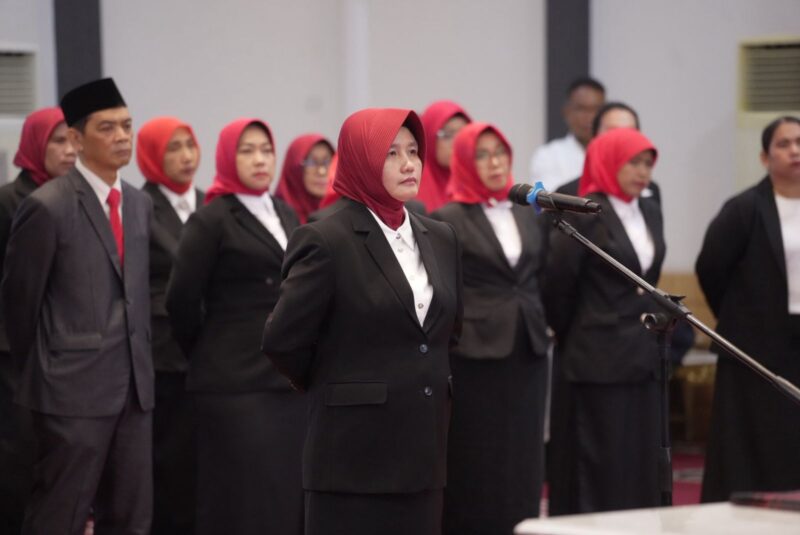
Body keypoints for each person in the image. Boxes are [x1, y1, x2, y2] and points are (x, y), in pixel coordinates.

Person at [261, 108, 462, 535]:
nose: (409, 164)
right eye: (392, 153)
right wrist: (338, 385)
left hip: (424, 452)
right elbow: (282, 339)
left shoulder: (441, 236)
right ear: (362, 161)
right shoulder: (325, 237)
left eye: (413, 151)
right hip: (352, 455)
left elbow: (447, 333)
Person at [2, 78, 154, 534]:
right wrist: (50, 373)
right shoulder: (47, 206)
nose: (122, 137)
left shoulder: (139, 204)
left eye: (127, 126)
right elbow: (20, 304)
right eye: (107, 128)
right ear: (76, 137)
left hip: (134, 389)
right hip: (70, 391)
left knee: (132, 516)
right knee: (60, 513)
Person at [165, 118, 304, 535]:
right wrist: (209, 350)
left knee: (285, 493)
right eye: (247, 151)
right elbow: (181, 300)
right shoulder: (212, 219)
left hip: (285, 378)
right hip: (233, 380)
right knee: (243, 496)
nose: (260, 160)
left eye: (266, 150)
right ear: (227, 157)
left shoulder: (284, 210)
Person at [432, 122, 549, 533]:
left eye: (500, 152)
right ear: (464, 162)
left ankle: (522, 523)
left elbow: (539, 274)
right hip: (475, 351)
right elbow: (443, 288)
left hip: (528, 346)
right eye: (481, 155)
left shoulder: (526, 211)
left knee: (524, 450)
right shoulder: (448, 218)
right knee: (479, 453)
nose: (494, 162)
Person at [543, 127, 666, 514]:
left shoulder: (650, 209)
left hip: (642, 350)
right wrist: (576, 331)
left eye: (648, 163)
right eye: (633, 162)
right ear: (609, 162)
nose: (643, 172)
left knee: (637, 456)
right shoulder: (583, 211)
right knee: (601, 459)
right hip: (595, 352)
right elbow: (557, 283)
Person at [696, 116, 800, 502]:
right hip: (755, 346)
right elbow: (711, 268)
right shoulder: (744, 208)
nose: (795, 151)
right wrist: (740, 316)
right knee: (753, 443)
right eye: (784, 144)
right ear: (764, 157)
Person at [0, 106, 75, 534]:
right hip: (16, 351)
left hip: (66, 348)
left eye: (73, 141)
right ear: (35, 144)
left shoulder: (78, 198)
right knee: (20, 452)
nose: (69, 151)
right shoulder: (9, 201)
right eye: (57, 141)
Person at [136, 116, 204, 535]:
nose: (185, 156)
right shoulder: (140, 207)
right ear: (152, 156)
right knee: (172, 462)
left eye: (189, 145)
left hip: (211, 353)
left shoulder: (211, 203)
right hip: (165, 355)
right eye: (173, 148)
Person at [557, 102, 660, 203]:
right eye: (613, 132)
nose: (621, 140)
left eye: (629, 133)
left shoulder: (650, 191)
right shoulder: (567, 195)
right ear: (594, 136)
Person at [530, 77, 605, 190]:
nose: (590, 117)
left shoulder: (617, 156)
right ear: (566, 111)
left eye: (596, 110)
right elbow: (547, 197)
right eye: (581, 109)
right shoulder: (547, 155)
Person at [417, 100, 472, 212]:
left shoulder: (478, 186)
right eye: (448, 135)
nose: (457, 143)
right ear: (428, 138)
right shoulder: (411, 192)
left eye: (463, 134)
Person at [276, 134, 335, 223]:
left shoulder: (342, 213)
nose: (322, 171)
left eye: (327, 162)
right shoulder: (277, 217)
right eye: (312, 162)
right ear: (294, 170)